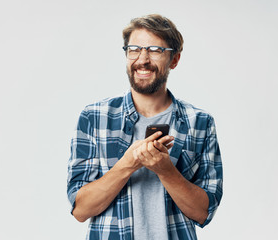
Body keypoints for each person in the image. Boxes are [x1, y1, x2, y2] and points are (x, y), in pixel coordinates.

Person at [67, 14, 223, 240]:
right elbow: (80, 210)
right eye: (134, 49)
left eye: (155, 50)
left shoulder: (199, 122)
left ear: (174, 60)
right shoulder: (94, 117)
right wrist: (129, 164)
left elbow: (203, 212)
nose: (143, 59)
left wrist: (166, 170)